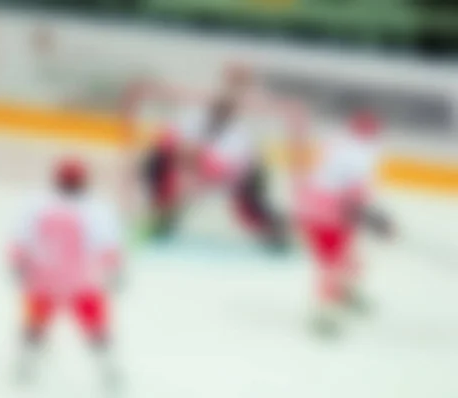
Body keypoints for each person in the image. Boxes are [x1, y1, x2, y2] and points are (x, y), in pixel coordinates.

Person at [139, 64, 289, 249]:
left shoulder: (238, 133)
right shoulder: (195, 117)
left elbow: (222, 166)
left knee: (250, 209)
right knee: (159, 165)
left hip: (240, 176)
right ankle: (162, 215)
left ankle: (276, 231)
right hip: (200, 169)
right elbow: (171, 142)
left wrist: (194, 159)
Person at [8, 157, 124, 393]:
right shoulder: (95, 209)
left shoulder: (36, 204)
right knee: (96, 329)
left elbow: (20, 241)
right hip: (80, 282)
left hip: (43, 279)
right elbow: (107, 247)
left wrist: (19, 265)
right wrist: (115, 271)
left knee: (35, 326)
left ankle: (25, 366)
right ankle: (108, 370)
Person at [294, 110, 393, 337]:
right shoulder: (354, 153)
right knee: (333, 266)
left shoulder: (340, 144)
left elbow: (350, 193)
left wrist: (371, 216)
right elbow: (349, 195)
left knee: (348, 261)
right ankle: (325, 313)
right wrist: (376, 219)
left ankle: (344, 293)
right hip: (328, 214)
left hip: (322, 211)